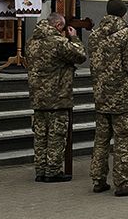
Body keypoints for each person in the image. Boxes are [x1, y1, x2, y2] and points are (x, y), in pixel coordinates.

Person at [88, 0, 128, 196]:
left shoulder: (95, 34)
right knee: (123, 141)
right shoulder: (127, 35)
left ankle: (98, 180)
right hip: (122, 97)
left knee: (101, 140)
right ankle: (121, 184)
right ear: (123, 13)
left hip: (101, 95)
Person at [26, 12, 87, 183]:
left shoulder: (31, 42)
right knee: (56, 135)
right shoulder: (58, 42)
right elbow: (80, 55)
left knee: (40, 136)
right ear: (58, 26)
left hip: (38, 96)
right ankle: (52, 171)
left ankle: (40, 169)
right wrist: (74, 38)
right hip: (57, 96)